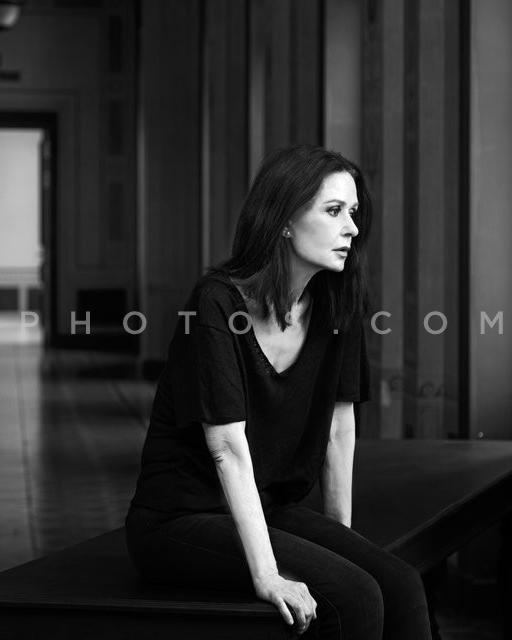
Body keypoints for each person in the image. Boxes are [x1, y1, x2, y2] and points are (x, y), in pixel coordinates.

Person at [126, 145, 430, 639]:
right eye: (334, 211)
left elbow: (338, 429)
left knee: (400, 584)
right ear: (284, 220)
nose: (352, 228)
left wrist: (340, 541)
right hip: (180, 519)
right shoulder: (216, 302)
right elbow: (226, 447)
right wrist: (267, 575)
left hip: (270, 510)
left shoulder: (337, 302)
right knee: (355, 596)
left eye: (354, 212)